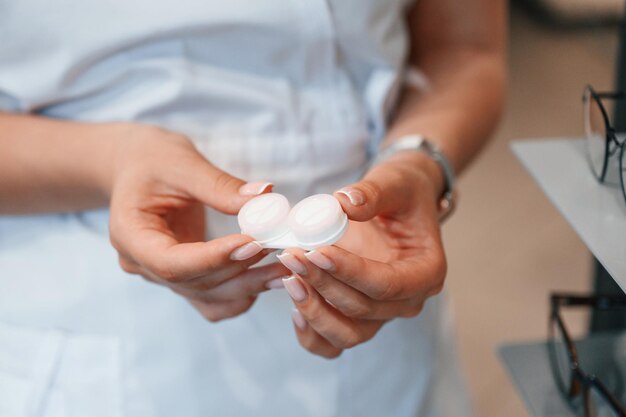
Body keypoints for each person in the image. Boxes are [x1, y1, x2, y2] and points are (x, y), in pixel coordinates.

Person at [0, 0, 505, 416]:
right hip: (106, 329)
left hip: (380, 306)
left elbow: (466, 50)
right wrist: (111, 161)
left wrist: (417, 161)